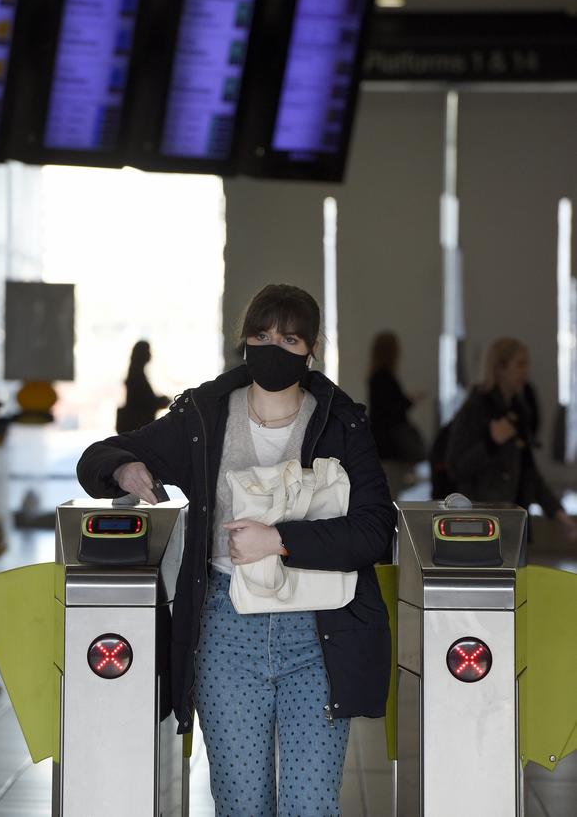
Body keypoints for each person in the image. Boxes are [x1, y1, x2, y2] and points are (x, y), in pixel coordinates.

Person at [77, 284, 395, 817]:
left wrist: (280, 539)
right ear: (244, 340)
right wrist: (124, 467)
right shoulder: (205, 418)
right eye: (262, 335)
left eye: (289, 338)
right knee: (241, 805)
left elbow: (374, 530)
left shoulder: (343, 424)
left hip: (318, 635)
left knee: (311, 808)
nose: (274, 347)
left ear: (311, 349)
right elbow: (99, 456)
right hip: (227, 634)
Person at [446, 337, 577, 534]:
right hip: (481, 520)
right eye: (520, 364)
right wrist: (490, 443)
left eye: (527, 364)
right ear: (500, 368)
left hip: (513, 520)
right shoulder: (476, 408)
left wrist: (557, 512)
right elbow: (456, 466)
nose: (526, 371)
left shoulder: (519, 409)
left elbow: (528, 469)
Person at [367, 331, 425, 498]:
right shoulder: (384, 377)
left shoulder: (377, 377)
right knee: (391, 492)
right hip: (389, 446)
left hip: (383, 444)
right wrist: (409, 400)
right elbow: (392, 411)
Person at [115, 340, 170, 433]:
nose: (150, 354)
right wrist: (161, 401)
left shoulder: (135, 374)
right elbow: (143, 402)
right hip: (138, 426)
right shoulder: (137, 377)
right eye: (148, 351)